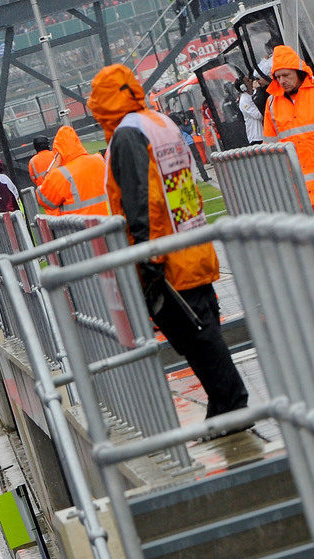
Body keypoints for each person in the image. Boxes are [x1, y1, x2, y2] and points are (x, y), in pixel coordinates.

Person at [87, 64, 249, 432]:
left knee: (197, 337)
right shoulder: (158, 122)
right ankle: (225, 405)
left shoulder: (128, 136)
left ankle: (232, 405)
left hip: (166, 256)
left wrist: (146, 260)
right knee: (203, 333)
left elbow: (139, 203)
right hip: (191, 242)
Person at [263, 45, 314, 205]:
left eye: (286, 75)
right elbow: (269, 147)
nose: (282, 81)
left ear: (298, 72)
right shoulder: (271, 103)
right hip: (298, 190)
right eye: (277, 77)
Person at [36, 125, 110, 216]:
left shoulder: (60, 174)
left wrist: (53, 167)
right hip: (109, 222)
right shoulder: (98, 160)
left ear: (58, 150)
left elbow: (44, 200)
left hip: (81, 227)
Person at [239, 77, 264, 144]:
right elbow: (259, 115)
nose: (251, 80)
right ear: (243, 87)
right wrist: (258, 90)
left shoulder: (252, 95)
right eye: (247, 81)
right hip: (257, 136)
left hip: (264, 134)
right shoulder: (244, 100)